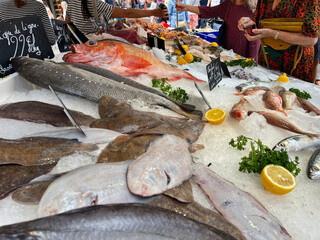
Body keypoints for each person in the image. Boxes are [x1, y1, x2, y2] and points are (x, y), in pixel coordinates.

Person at [238, 0, 320, 83]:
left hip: (296, 63)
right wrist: (247, 23)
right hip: (268, 59)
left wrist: (272, 33)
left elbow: (311, 39)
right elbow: (259, 23)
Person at [176, 0, 260, 60]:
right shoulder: (228, 4)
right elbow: (209, 11)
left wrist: (252, 58)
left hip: (245, 56)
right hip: (227, 54)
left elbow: (256, 35)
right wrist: (187, 7)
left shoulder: (253, 7)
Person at [66, 0, 168, 35]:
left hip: (80, 43)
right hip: (94, 45)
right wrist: (153, 12)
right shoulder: (95, 4)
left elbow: (67, 22)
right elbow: (127, 13)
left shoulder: (71, 3)